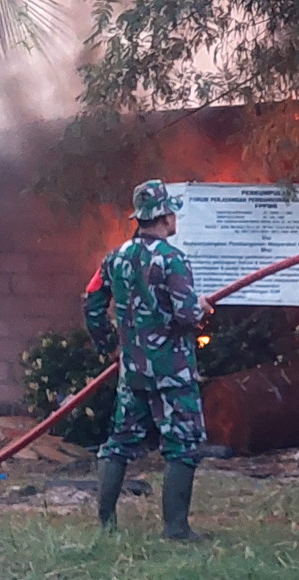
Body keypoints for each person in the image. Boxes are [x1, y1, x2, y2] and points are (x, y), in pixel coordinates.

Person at [84, 179, 213, 540]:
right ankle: (176, 529)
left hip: (134, 370)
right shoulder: (173, 259)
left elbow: (92, 303)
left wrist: (107, 345)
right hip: (174, 370)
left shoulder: (115, 258)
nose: (175, 220)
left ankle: (106, 525)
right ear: (164, 216)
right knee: (182, 444)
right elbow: (186, 315)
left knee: (120, 442)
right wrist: (200, 307)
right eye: (172, 213)